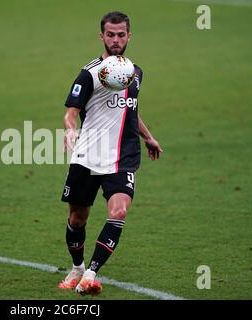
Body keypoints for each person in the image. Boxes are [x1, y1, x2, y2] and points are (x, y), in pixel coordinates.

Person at [58, 11, 163, 296]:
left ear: (129, 36)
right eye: (110, 35)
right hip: (88, 154)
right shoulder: (89, 72)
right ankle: (77, 267)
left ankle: (91, 274)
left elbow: (130, 109)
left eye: (121, 35)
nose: (116, 40)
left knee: (119, 211)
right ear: (101, 36)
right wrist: (70, 129)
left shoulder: (135, 72)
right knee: (78, 217)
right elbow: (72, 112)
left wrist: (148, 137)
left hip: (122, 156)